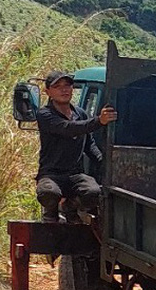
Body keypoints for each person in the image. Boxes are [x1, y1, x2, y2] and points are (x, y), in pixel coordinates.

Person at [35, 70, 117, 223]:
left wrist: (104, 163)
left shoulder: (81, 114)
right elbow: (68, 128)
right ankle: (51, 213)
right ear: (48, 92)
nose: (64, 89)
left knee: (94, 192)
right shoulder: (45, 114)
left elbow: (89, 145)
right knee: (48, 192)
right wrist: (99, 121)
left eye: (67, 85)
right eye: (58, 86)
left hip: (75, 174)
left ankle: (69, 206)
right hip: (51, 174)